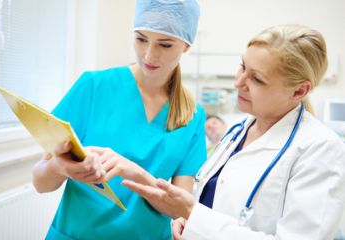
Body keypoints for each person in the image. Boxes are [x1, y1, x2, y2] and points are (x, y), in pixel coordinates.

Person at [123, 24, 345, 240]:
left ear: (299, 90)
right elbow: (211, 205)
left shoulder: (321, 150)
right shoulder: (239, 129)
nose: (238, 82)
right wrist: (185, 222)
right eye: (242, 67)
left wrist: (192, 214)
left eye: (257, 79)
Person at [32, 0, 207, 239]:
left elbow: (179, 209)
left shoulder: (193, 117)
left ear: (186, 45)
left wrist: (135, 173)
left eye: (165, 45)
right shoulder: (93, 87)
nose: (149, 55)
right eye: (141, 39)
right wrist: (59, 167)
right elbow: (41, 184)